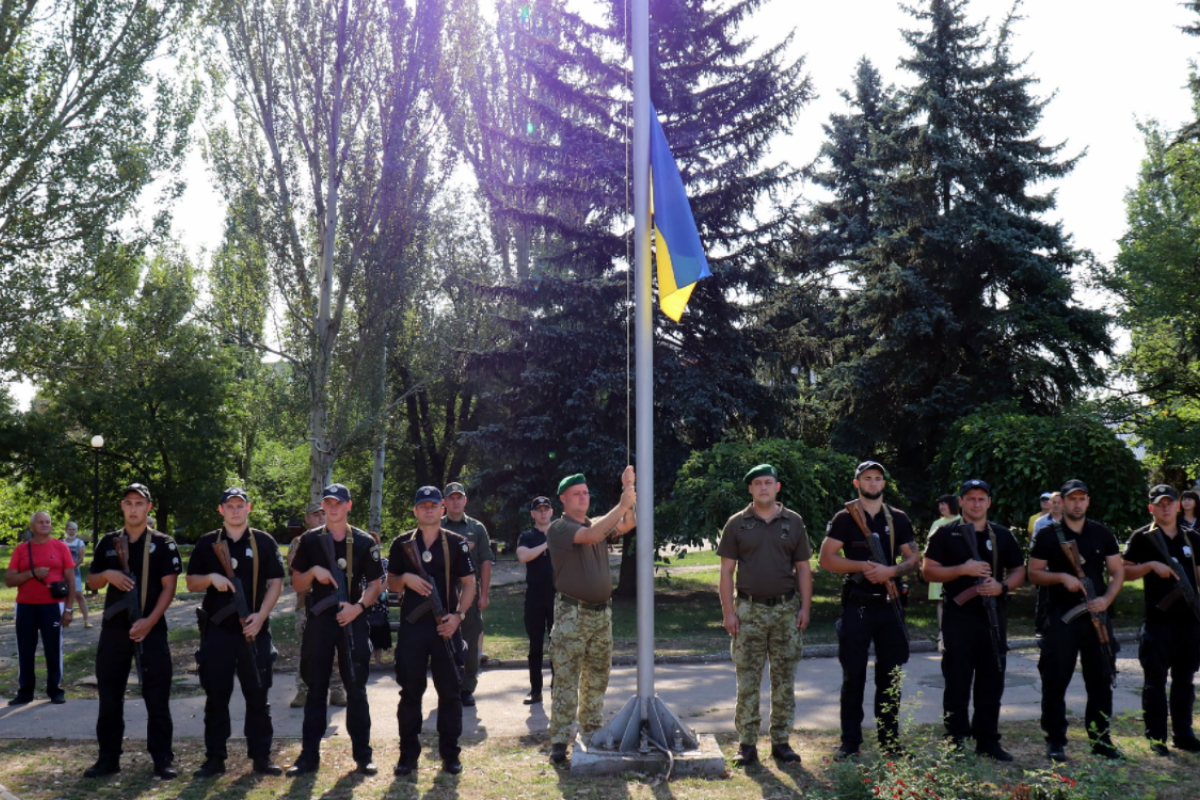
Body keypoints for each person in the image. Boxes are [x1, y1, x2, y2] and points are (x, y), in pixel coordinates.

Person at [819, 461, 919, 759]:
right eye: (867, 478)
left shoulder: (898, 519)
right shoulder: (844, 518)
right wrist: (863, 566)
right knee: (854, 677)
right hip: (858, 606)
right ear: (857, 483)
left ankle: (890, 743)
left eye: (878, 479)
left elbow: (914, 559)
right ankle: (850, 743)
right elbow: (827, 559)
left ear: (884, 484)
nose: (873, 483)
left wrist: (891, 571)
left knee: (891, 677)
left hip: (891, 607)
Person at [922, 479, 1026, 760]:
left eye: (981, 498)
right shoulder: (945, 533)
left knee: (992, 679)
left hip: (993, 615)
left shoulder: (1002, 535)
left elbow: (1019, 570)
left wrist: (1002, 586)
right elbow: (928, 571)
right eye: (970, 498)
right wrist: (962, 569)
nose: (976, 503)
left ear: (989, 502)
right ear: (962, 502)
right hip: (959, 616)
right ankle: (955, 739)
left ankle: (987, 740)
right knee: (956, 679)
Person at [84, 484, 182, 780]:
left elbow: (169, 587)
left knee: (157, 698)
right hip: (115, 632)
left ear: (148, 507)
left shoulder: (164, 544)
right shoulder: (108, 542)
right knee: (110, 698)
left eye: (139, 503)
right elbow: (92, 583)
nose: (134, 508)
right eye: (128, 503)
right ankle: (108, 759)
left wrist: (150, 621)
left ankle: (162, 759)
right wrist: (107, 574)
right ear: (122, 506)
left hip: (151, 630)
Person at [186, 487, 286, 777]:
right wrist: (212, 578)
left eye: (239, 506)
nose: (234, 510)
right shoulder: (207, 543)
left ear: (248, 508)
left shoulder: (264, 542)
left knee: (258, 695)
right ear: (221, 510)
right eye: (229, 506)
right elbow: (191, 582)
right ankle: (215, 758)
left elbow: (276, 583)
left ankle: (261, 758)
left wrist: (261, 617)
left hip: (255, 630)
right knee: (216, 696)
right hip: (218, 632)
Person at [717, 464, 812, 766]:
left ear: (777, 487)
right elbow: (726, 571)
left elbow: (804, 569)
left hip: (786, 610)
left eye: (768, 482)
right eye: (757, 483)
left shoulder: (794, 522)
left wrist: (806, 608)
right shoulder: (737, 524)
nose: (763, 488)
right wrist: (729, 612)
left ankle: (781, 742)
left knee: (785, 679)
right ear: (750, 489)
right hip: (748, 610)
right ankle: (746, 745)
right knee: (747, 679)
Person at [287, 483, 383, 777]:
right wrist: (313, 572)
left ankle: (363, 756)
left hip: (352, 618)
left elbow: (377, 585)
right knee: (316, 689)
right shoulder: (309, 541)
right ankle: (308, 756)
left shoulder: (365, 542)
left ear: (348, 506)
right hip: (320, 620)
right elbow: (297, 584)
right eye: (328, 503)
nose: (333, 507)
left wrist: (357, 608)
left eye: (338, 503)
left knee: (356, 689)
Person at [1028, 478, 1124, 761]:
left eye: (1082, 498)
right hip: (1061, 617)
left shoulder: (1101, 533)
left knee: (1100, 679)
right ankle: (1055, 740)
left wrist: (1106, 599)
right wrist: (1062, 577)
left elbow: (1118, 572)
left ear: (1088, 501)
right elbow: (1034, 572)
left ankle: (1100, 739)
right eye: (1072, 499)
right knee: (1055, 680)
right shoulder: (1048, 535)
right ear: (1063, 502)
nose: (1077, 503)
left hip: (1097, 616)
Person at [547, 467, 637, 764]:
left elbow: (628, 524)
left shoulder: (597, 522)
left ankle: (592, 731)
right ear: (563, 499)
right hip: (573, 614)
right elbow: (592, 534)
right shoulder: (559, 528)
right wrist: (622, 503)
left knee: (597, 678)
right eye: (576, 493)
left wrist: (629, 490)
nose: (583, 497)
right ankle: (560, 739)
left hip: (601, 616)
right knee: (567, 679)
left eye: (585, 492)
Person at [389, 486, 476, 776]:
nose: (428, 509)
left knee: (450, 694)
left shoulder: (456, 543)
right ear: (415, 510)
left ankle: (450, 755)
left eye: (433, 505)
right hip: (413, 629)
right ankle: (407, 757)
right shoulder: (401, 544)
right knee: (410, 693)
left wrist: (458, 617)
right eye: (422, 505)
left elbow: (470, 584)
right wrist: (407, 579)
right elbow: (390, 583)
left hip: (446, 629)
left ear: (442, 509)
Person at [1122, 484, 1200, 757]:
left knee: (1184, 680)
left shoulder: (1192, 538)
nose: (1166, 507)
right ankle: (1156, 737)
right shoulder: (1143, 537)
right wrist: (1151, 566)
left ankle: (1184, 734)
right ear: (1151, 507)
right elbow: (1124, 572)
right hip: (1158, 621)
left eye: (1170, 502)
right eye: (1160, 503)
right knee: (1155, 681)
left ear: (1178, 506)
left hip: (1188, 622)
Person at [5, 511, 76, 705]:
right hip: (26, 606)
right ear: (32, 527)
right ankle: (25, 691)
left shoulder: (61, 547)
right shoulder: (21, 550)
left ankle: (55, 690)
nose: (45, 524)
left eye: (48, 522)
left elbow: (71, 581)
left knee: (54, 649)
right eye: (40, 522)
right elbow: (9, 580)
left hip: (53, 606)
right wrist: (31, 573)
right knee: (25, 649)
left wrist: (68, 610)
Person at [289, 502, 347, 709]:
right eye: (316, 515)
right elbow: (294, 572)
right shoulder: (300, 541)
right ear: (307, 519)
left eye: (323, 514)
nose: (321, 517)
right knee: (307, 649)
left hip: (334, 603)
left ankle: (337, 689)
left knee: (337, 650)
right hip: (307, 604)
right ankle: (303, 690)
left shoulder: (340, 537)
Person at [440, 482, 492, 707]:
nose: (455, 501)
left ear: (465, 500)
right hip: (443, 593)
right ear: (445, 502)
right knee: (442, 640)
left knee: (470, 639)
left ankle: (467, 688)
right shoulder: (435, 525)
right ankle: (447, 687)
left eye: (459, 497)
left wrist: (485, 594)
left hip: (470, 592)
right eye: (451, 498)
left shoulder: (477, 528)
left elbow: (486, 561)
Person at [517, 495, 556, 705]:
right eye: (538, 509)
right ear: (533, 514)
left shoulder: (559, 533)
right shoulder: (527, 536)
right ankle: (535, 689)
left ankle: (558, 688)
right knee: (535, 645)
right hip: (535, 596)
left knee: (557, 644)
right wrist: (545, 545)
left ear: (551, 512)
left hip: (556, 595)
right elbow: (523, 556)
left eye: (546, 509)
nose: (542, 512)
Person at [926, 495, 960, 653]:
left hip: (957, 568)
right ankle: (942, 631)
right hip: (939, 567)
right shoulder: (936, 524)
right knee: (941, 600)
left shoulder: (962, 521)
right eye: (939, 504)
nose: (941, 507)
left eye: (944, 504)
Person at [1032, 492, 1064, 637]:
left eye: (1059, 502)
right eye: (1053, 502)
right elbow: (1035, 545)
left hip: (1063, 567)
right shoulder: (1040, 522)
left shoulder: (1070, 521)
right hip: (1045, 567)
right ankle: (1040, 628)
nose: (1056, 505)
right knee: (1044, 598)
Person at [365, 530, 393, 666]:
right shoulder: (360, 562)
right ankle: (365, 660)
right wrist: (367, 597)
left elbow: (388, 580)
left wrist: (374, 594)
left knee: (380, 630)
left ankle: (378, 661)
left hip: (380, 602)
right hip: (364, 603)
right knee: (364, 630)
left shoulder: (384, 562)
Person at [62, 521, 91, 628]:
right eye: (69, 529)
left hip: (75, 572)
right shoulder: (61, 542)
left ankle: (86, 620)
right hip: (62, 573)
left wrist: (71, 566)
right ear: (66, 530)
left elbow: (81, 558)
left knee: (79, 595)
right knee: (64, 595)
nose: (71, 531)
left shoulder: (80, 542)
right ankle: (65, 619)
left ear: (76, 530)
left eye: (73, 529)